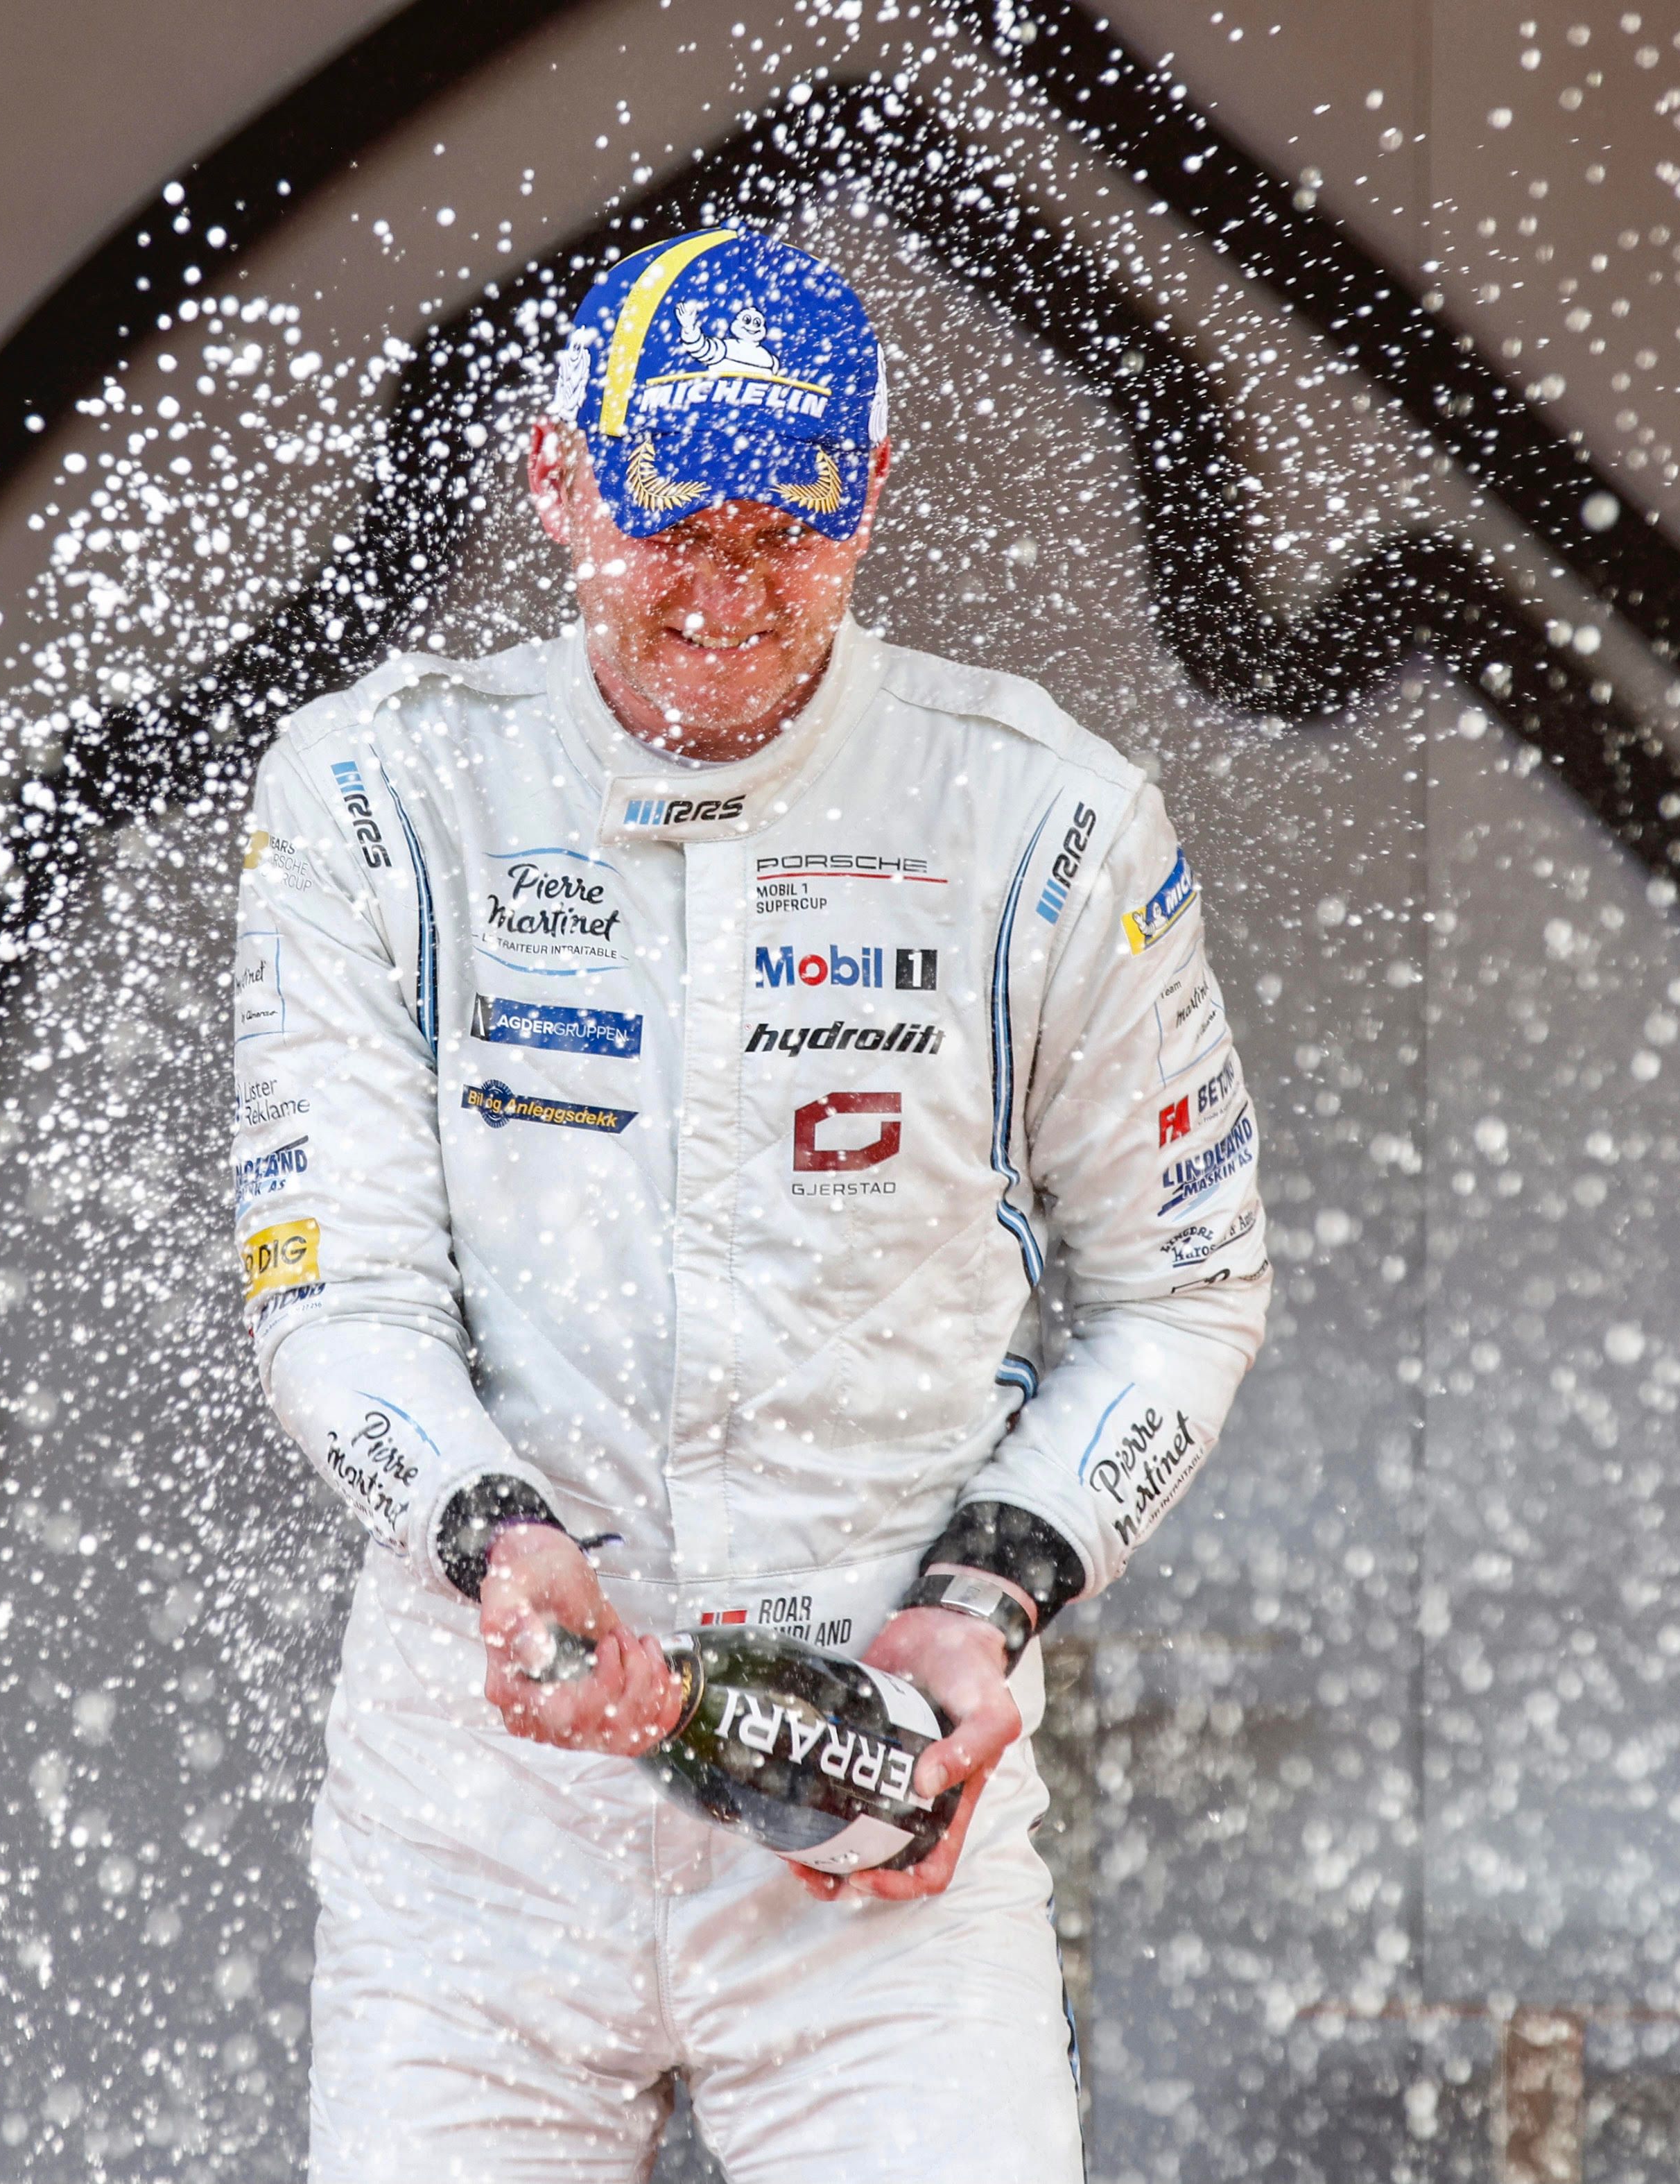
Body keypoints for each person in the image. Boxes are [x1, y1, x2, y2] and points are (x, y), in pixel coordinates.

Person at [234, 226, 1272, 2184]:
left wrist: (987, 1604)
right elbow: (331, 1288)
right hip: (479, 1833)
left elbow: (1185, 1291)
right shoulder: (377, 792)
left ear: (868, 497)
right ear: (556, 477)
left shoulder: (1045, 821)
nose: (724, 595)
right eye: (674, 530)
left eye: (783, 537)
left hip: (873, 1786)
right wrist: (493, 1538)